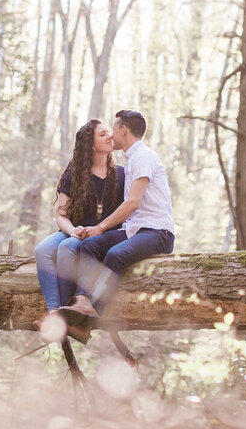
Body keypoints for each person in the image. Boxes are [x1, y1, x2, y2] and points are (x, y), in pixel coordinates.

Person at [54, 109, 175, 343]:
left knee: (115, 255)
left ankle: (91, 316)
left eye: (113, 129)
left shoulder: (144, 157)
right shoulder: (131, 160)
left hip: (158, 232)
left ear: (124, 130)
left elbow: (132, 203)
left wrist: (100, 227)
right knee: (88, 246)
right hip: (135, 230)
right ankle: (81, 301)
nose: (111, 135)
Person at [33, 119, 125, 319]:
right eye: (102, 134)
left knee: (67, 248)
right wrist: (73, 230)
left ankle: (67, 310)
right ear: (91, 145)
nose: (110, 136)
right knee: (42, 250)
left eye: (109, 132)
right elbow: (61, 216)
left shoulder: (121, 175)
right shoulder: (73, 174)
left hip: (102, 237)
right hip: (75, 231)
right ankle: (54, 310)